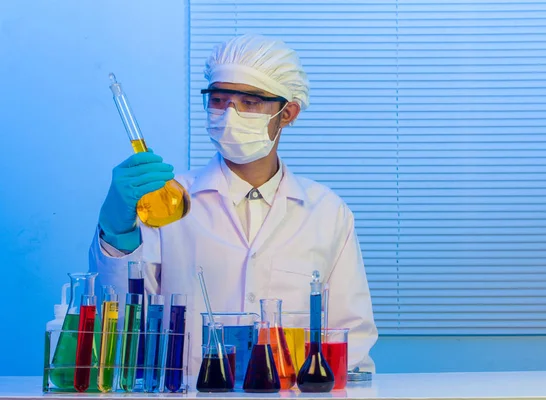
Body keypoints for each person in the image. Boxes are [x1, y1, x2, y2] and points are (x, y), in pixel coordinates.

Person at [89, 33, 378, 376]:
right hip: (187, 393)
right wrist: (117, 232)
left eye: (250, 102)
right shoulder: (167, 202)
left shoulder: (327, 212)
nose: (230, 114)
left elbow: (350, 333)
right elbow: (125, 316)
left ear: (288, 113)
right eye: (219, 99)